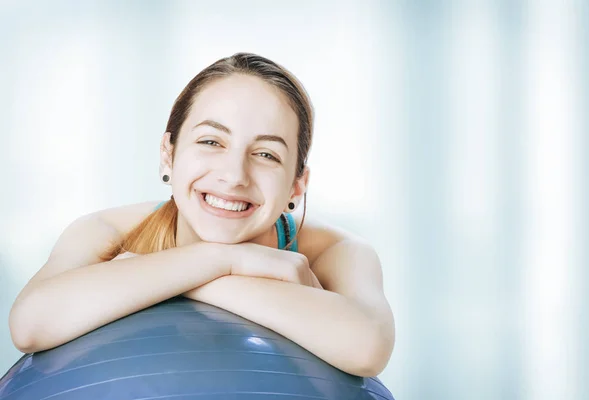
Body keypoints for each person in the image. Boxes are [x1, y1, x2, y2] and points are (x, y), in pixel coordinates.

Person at [8, 53, 395, 377]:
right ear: (169, 153)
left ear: (297, 183)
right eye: (211, 141)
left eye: (266, 154)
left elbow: (366, 348)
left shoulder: (337, 250)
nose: (234, 175)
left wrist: (174, 277)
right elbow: (31, 325)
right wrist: (226, 258)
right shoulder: (106, 231)